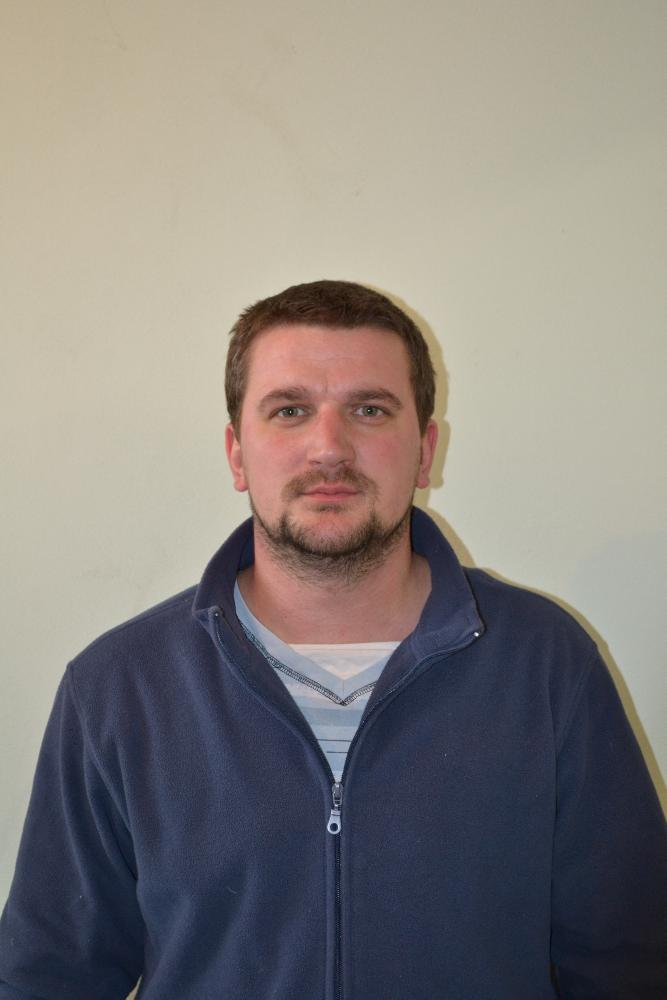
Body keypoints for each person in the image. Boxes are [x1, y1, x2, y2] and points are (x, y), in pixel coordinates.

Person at [0, 280, 665, 999]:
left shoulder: (544, 663)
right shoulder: (120, 686)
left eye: (369, 409)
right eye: (289, 411)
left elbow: (629, 964)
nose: (328, 447)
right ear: (236, 454)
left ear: (425, 451)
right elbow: (48, 978)